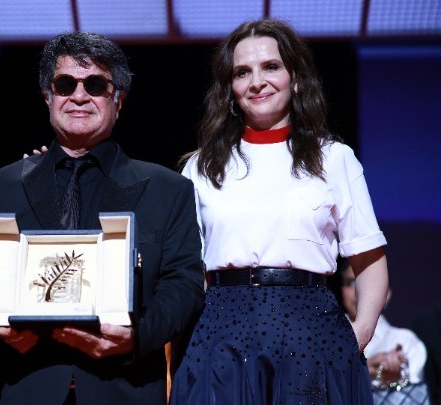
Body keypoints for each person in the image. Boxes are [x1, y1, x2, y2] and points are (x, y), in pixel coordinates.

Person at [0, 32, 206, 405]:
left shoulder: (167, 189)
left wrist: (136, 337)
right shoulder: (7, 182)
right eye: (65, 84)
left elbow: (184, 284)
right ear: (48, 97)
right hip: (27, 385)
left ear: (118, 99)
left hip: (123, 388)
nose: (78, 96)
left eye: (95, 85)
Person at [170, 19, 389, 404]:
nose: (257, 82)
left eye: (270, 67)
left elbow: (369, 258)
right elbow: (188, 271)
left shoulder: (334, 159)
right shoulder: (201, 167)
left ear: (296, 79)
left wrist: (357, 335)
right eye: (242, 72)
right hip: (222, 332)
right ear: (230, 88)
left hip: (311, 330)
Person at [333, 258, 430, 404]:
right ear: (341, 290)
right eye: (351, 282)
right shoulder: (326, 340)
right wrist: (365, 371)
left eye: (368, 283)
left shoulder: (405, 341)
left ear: (386, 293)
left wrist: (397, 377)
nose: (359, 291)